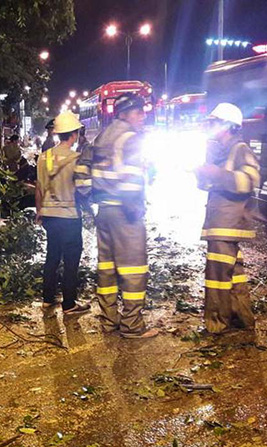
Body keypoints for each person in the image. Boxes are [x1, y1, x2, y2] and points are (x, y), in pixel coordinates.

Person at [77, 94, 158, 338]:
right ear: (124, 113)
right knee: (133, 269)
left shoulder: (101, 136)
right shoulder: (131, 138)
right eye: (138, 112)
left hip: (105, 211)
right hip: (125, 213)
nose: (143, 116)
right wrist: (135, 209)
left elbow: (81, 172)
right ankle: (132, 325)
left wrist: (92, 196)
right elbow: (133, 179)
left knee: (107, 268)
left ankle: (109, 320)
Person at [195, 103, 259, 334]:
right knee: (234, 275)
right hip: (221, 223)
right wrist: (202, 175)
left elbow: (251, 180)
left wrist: (217, 173)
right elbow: (211, 184)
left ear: (227, 125)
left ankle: (216, 325)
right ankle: (242, 318)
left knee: (217, 277)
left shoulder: (240, 149)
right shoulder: (219, 150)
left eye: (213, 123)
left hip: (227, 225)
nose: (210, 127)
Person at [36, 112, 88, 315]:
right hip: (70, 217)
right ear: (74, 135)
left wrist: (39, 212)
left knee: (52, 257)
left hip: (49, 215)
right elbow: (83, 190)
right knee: (71, 261)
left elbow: (39, 188)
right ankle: (69, 304)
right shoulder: (77, 159)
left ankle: (48, 299)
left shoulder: (44, 157)